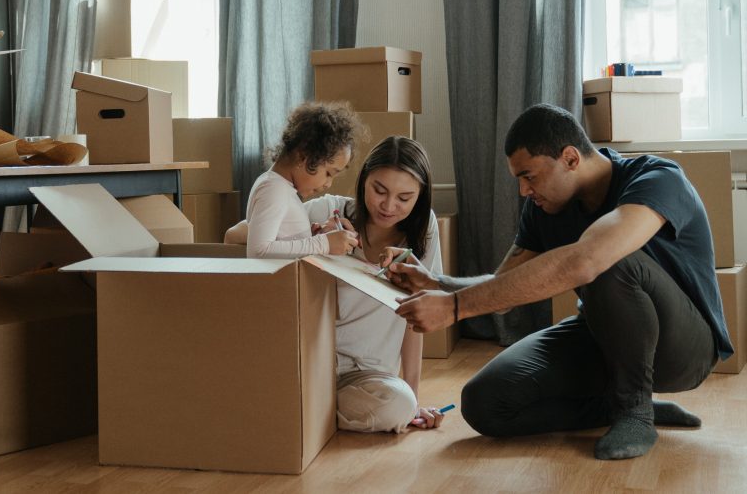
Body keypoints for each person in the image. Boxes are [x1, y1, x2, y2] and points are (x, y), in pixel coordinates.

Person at [388, 103, 730, 460]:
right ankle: (615, 406)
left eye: (529, 176)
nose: (523, 191)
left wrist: (455, 308)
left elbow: (589, 260)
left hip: (685, 350)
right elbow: (504, 287)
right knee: (484, 403)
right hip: (603, 337)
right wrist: (438, 284)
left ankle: (635, 412)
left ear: (570, 158)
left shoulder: (658, 178)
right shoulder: (543, 208)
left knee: (607, 259)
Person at [229, 135, 449, 433]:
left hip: (367, 376)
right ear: (363, 181)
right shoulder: (328, 211)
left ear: (420, 197)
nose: (388, 206)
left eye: (404, 198)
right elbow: (235, 235)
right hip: (310, 362)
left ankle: (300, 410)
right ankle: (303, 407)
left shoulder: (425, 231)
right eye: (379, 190)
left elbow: (416, 316)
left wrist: (413, 399)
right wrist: (316, 239)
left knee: (398, 406)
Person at [244, 101, 362, 259]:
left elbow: (281, 244)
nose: (328, 184)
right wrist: (323, 243)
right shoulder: (273, 189)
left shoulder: (282, 188)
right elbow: (258, 251)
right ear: (303, 156)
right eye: (328, 173)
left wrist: (309, 238)